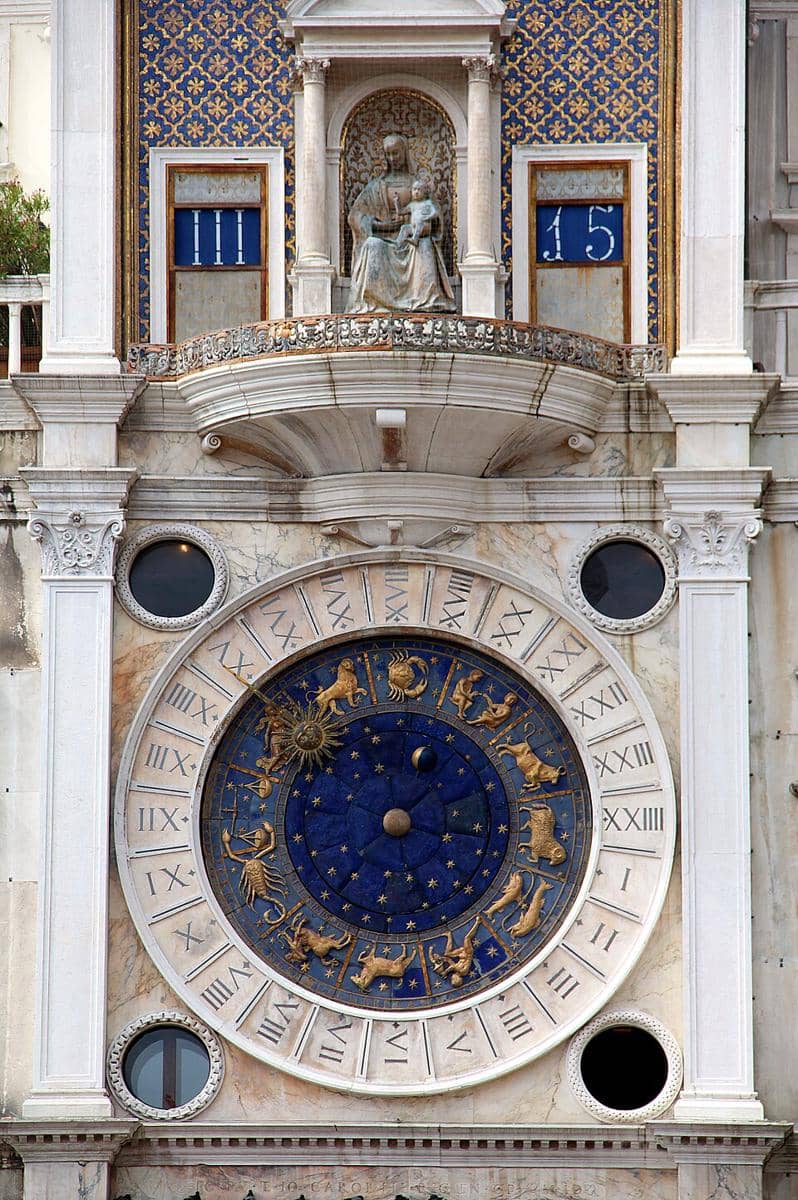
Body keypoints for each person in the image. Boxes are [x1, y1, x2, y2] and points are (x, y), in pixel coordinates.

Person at [347, 133, 455, 313]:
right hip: (382, 238)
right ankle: (377, 303)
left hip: (412, 237)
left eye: (395, 153)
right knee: (373, 246)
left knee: (425, 244)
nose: (392, 158)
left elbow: (434, 216)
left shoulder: (418, 185)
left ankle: (425, 301)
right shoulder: (376, 186)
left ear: (404, 153)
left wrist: (421, 225)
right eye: (388, 154)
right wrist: (378, 226)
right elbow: (355, 215)